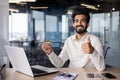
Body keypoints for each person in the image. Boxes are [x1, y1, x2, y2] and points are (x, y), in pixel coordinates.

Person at [41, 6, 105, 71]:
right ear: (73, 24)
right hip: (71, 76)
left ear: (88, 24)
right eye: (76, 21)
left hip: (87, 77)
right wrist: (50, 53)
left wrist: (92, 51)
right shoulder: (69, 41)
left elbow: (101, 67)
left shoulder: (95, 40)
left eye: (82, 21)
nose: (79, 23)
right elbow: (59, 63)